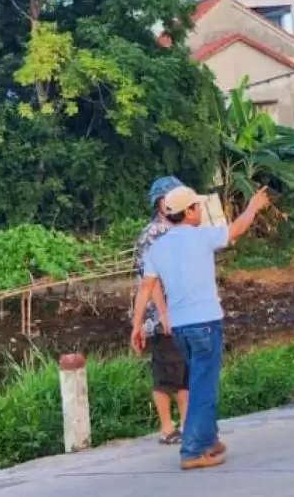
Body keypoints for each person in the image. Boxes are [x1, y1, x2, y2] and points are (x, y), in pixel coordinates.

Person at [131, 185, 271, 471]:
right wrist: (254, 206)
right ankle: (192, 450)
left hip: (180, 328)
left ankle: (208, 440)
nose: (200, 211)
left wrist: (137, 326)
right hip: (205, 323)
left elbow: (145, 290)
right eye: (197, 206)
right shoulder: (201, 237)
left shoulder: (157, 248)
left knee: (200, 382)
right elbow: (237, 228)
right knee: (202, 388)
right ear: (190, 211)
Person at [132, 175, 189, 445]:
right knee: (167, 373)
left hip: (183, 312)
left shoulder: (180, 230)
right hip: (160, 317)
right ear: (161, 203)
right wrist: (163, 313)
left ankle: (189, 424)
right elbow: (150, 280)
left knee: (185, 371)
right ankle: (167, 427)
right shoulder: (153, 234)